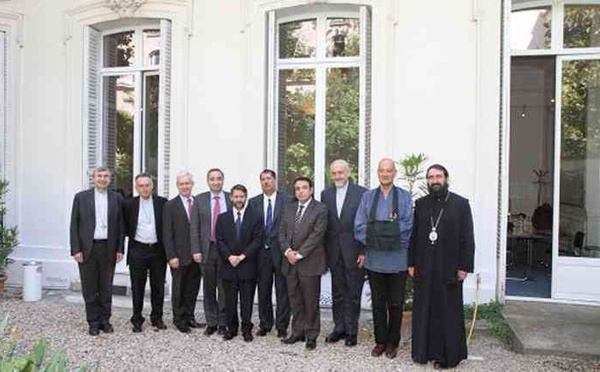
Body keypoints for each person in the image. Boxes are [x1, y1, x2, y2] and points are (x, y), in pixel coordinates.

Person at [409, 164, 475, 370]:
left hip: (450, 267)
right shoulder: (420, 204)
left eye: (438, 176)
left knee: (448, 312)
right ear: (427, 181)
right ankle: (424, 352)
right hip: (425, 266)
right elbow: (414, 236)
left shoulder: (460, 204)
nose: (434, 180)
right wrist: (410, 262)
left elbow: (468, 238)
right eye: (430, 177)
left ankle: (448, 356)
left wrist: (464, 266)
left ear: (446, 178)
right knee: (425, 309)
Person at [354, 158, 413, 359]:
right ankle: (380, 341)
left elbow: (407, 226)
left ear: (394, 173)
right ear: (378, 173)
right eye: (381, 171)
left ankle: (393, 342)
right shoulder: (368, 197)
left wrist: (377, 230)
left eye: (389, 171)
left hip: (397, 260)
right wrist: (388, 230)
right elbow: (359, 226)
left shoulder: (404, 197)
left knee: (396, 303)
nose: (385, 174)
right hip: (375, 260)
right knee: (378, 303)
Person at [70, 166, 124, 336]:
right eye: (99, 176)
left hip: (108, 247)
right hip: (87, 249)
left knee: (106, 287)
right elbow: (74, 225)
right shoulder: (81, 197)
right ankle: (93, 322)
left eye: (105, 176)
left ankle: (105, 321)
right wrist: (76, 249)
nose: (102, 179)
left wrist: (120, 249)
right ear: (93, 178)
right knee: (90, 288)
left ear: (110, 178)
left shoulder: (117, 198)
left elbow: (121, 226)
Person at [320, 160, 367, 347]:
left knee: (353, 293)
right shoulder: (326, 194)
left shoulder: (362, 193)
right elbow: (325, 225)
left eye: (340, 172)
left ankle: (351, 331)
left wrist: (364, 250)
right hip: (334, 251)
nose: (337, 176)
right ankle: (339, 328)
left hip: (354, 250)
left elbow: (365, 223)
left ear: (348, 173)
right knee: (337, 293)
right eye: (334, 173)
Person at [279, 176, 328, 350]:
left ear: (311, 189)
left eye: (304, 187)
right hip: (290, 262)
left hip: (310, 262)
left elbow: (317, 235)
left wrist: (298, 254)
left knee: (310, 301)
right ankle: (297, 332)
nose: (300, 191)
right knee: (295, 299)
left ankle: (312, 334)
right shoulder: (289, 208)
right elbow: (281, 233)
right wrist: (287, 252)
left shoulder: (320, 209)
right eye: (297, 188)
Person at [216, 184, 262, 342]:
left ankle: (246, 329)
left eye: (241, 196)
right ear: (231, 198)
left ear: (246, 197)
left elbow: (257, 241)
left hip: (247, 265)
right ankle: (232, 328)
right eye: (236, 196)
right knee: (230, 301)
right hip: (228, 266)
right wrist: (229, 257)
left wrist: (242, 256)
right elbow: (219, 241)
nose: (238, 200)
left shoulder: (255, 217)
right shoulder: (222, 218)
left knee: (247, 301)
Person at [122, 173, 168, 332]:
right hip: (138, 250)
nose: (144, 188)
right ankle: (137, 318)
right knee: (137, 286)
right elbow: (125, 227)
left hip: (157, 251)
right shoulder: (129, 204)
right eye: (141, 186)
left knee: (158, 287)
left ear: (152, 186)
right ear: (136, 188)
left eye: (147, 185)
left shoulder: (162, 203)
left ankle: (157, 318)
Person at [248, 169, 291, 338]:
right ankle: (265, 324)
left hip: (281, 252)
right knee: (263, 290)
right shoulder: (253, 202)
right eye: (263, 179)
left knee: (283, 291)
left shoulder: (287, 200)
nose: (266, 182)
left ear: (275, 181)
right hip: (261, 254)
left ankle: (282, 326)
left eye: (269, 179)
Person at [190, 168, 231, 336]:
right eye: (212, 179)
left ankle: (223, 322)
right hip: (206, 250)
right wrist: (195, 250)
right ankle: (211, 322)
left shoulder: (230, 198)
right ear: (208, 181)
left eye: (219, 178)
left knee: (224, 288)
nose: (216, 182)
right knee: (208, 288)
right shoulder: (199, 200)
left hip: (225, 250)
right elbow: (194, 227)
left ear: (223, 180)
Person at [163, 171, 203, 333]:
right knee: (179, 288)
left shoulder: (198, 202)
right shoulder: (170, 206)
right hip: (179, 256)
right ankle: (179, 320)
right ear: (177, 186)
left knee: (193, 287)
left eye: (187, 183)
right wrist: (171, 256)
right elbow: (167, 233)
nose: (185, 186)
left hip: (196, 255)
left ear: (192, 184)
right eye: (182, 184)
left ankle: (190, 317)